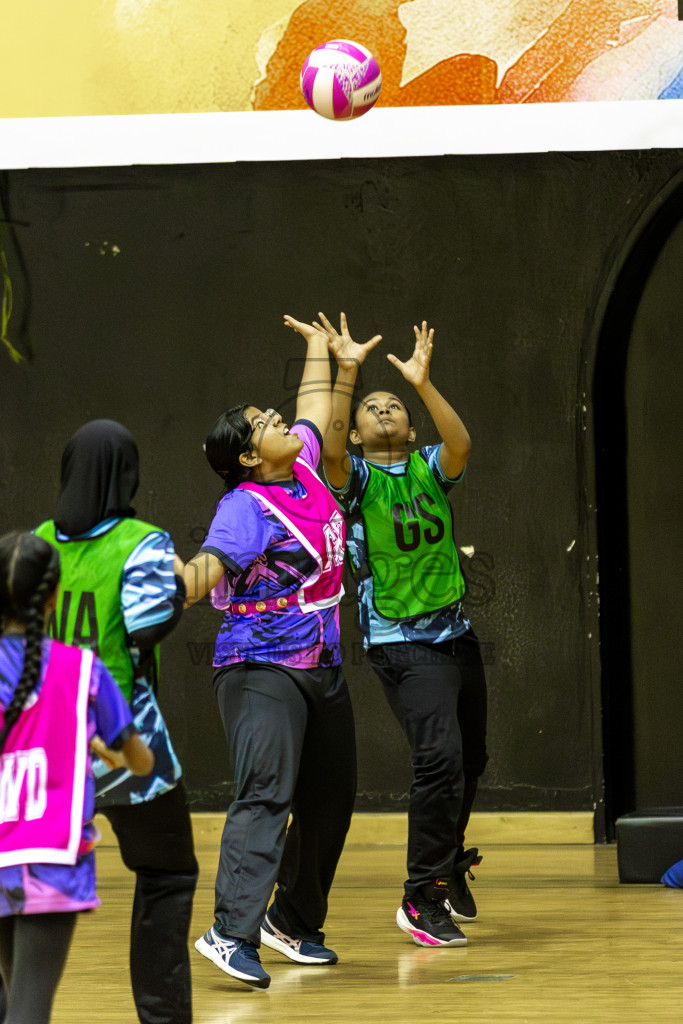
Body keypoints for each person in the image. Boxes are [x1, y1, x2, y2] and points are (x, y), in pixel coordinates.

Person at [179, 315, 359, 990]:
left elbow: (314, 411)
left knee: (330, 802)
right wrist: (163, 576)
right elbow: (203, 577)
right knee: (265, 796)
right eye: (262, 422)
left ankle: (291, 921)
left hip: (322, 665)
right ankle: (230, 933)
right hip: (260, 670)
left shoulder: (304, 470)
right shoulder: (246, 506)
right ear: (249, 457)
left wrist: (322, 350)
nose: (279, 418)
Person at [319, 312, 489, 948]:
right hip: (400, 640)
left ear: (411, 426)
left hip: (455, 631)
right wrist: (347, 374)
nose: (383, 410)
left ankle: (447, 863)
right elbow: (328, 450)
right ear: (360, 435)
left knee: (471, 759)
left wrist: (421, 381)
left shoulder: (428, 466)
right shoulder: (356, 479)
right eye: (372, 408)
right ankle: (422, 897)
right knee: (439, 757)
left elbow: (462, 443)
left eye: (394, 406)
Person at [33, 420, 198, 1024]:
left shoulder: (37, 542)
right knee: (167, 872)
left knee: (21, 890)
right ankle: (161, 1016)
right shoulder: (141, 541)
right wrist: (183, 580)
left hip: (45, 749)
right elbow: (151, 624)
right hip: (125, 745)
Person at [0, 531, 154, 1024]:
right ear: (52, 598)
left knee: (13, 1001)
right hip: (50, 860)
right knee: (29, 1009)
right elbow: (141, 761)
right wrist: (108, 747)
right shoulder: (82, 668)